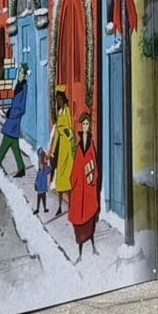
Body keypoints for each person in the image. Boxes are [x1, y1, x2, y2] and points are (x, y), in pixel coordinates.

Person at [0, 64, 31, 178]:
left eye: (21, 73)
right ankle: (21, 168)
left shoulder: (23, 87)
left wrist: (12, 113)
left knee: (3, 149)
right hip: (12, 122)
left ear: (25, 75)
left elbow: (21, 108)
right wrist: (10, 110)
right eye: (19, 72)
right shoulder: (19, 85)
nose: (19, 74)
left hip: (13, 122)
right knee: (14, 147)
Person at [66, 116, 99, 258]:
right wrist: (73, 180)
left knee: (89, 217)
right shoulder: (79, 145)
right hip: (80, 185)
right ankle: (79, 252)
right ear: (81, 125)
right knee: (78, 217)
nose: (85, 126)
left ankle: (92, 246)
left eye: (87, 123)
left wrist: (92, 178)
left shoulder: (90, 143)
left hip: (88, 184)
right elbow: (77, 164)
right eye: (83, 124)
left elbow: (93, 163)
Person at [48, 89, 77, 220]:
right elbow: (56, 137)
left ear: (63, 99)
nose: (58, 102)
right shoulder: (60, 113)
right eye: (57, 100)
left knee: (68, 180)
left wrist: (69, 136)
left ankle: (71, 207)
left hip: (67, 150)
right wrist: (53, 151)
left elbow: (71, 132)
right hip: (61, 151)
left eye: (60, 99)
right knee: (60, 181)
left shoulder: (68, 112)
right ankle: (60, 206)